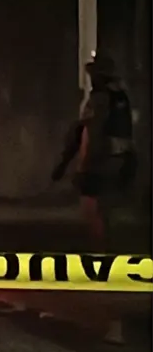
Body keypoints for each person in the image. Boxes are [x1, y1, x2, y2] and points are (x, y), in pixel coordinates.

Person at [53, 53, 137, 252]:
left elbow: (88, 131)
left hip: (100, 161)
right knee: (107, 211)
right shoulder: (121, 96)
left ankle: (100, 257)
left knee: (92, 211)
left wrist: (74, 165)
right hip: (121, 159)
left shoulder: (100, 99)